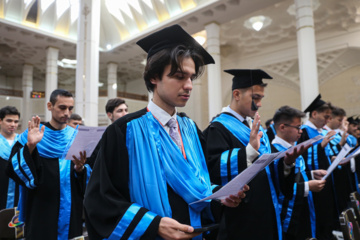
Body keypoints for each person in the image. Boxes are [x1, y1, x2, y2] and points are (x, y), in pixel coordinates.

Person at [83, 24, 246, 240]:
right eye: (179, 76)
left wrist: (219, 196)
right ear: (154, 77)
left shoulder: (191, 130)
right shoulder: (124, 131)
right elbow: (100, 200)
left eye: (191, 78)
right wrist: (153, 224)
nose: (188, 85)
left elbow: (200, 183)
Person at [204, 69, 301, 240]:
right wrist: (249, 151)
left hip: (267, 210)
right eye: (255, 98)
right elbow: (213, 168)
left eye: (261, 99)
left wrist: (287, 163)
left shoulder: (254, 127)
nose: (259, 104)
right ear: (237, 94)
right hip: (241, 219)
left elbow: (268, 169)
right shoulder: (217, 128)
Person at [6, 89, 91, 239]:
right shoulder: (32, 134)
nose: (67, 113)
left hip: (71, 208)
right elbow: (13, 168)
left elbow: (89, 175)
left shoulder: (76, 136)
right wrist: (30, 146)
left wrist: (80, 169)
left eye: (70, 108)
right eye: (62, 107)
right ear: (50, 106)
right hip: (41, 205)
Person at [271, 106, 326, 240]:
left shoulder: (291, 148)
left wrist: (311, 174)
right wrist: (308, 186)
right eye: (297, 127)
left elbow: (295, 175)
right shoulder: (274, 152)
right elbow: (278, 187)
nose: (301, 131)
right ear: (282, 127)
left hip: (303, 207)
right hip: (289, 215)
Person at [298, 94, 338, 240]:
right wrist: (320, 147)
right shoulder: (303, 132)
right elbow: (300, 156)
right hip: (312, 182)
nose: (328, 121)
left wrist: (333, 157)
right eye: (325, 117)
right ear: (314, 114)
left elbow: (323, 155)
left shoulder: (320, 132)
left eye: (329, 117)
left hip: (325, 179)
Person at [0, 106, 21, 210]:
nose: (13, 124)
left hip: (19, 194)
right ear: (0, 121)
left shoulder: (22, 142)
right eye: (9, 121)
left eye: (16, 121)